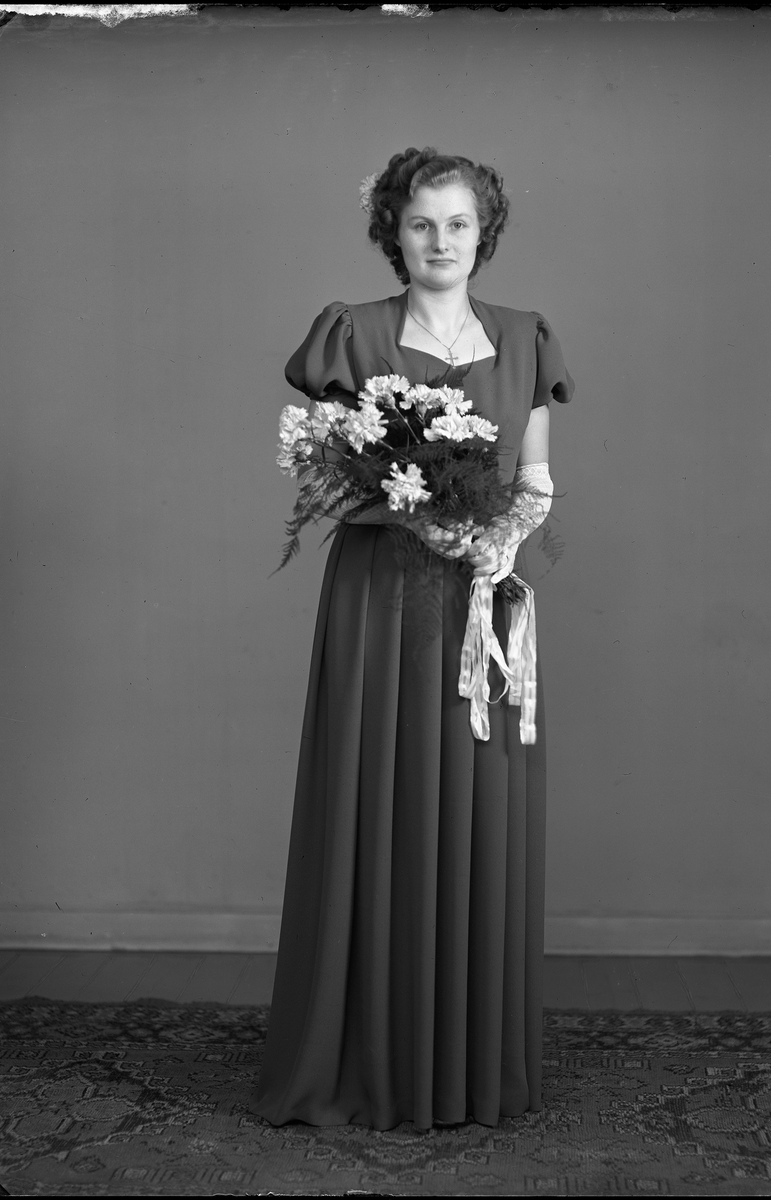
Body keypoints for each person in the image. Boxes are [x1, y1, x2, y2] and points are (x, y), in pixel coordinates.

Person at [250, 147, 573, 1132]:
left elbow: (535, 480)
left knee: (478, 811)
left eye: (458, 224)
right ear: (392, 232)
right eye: (421, 223)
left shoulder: (524, 336)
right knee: (375, 800)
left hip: (481, 603)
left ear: (484, 233)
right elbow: (335, 469)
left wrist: (498, 540)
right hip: (380, 608)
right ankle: (369, 1061)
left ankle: (468, 1066)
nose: (440, 241)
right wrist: (425, 522)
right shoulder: (351, 333)